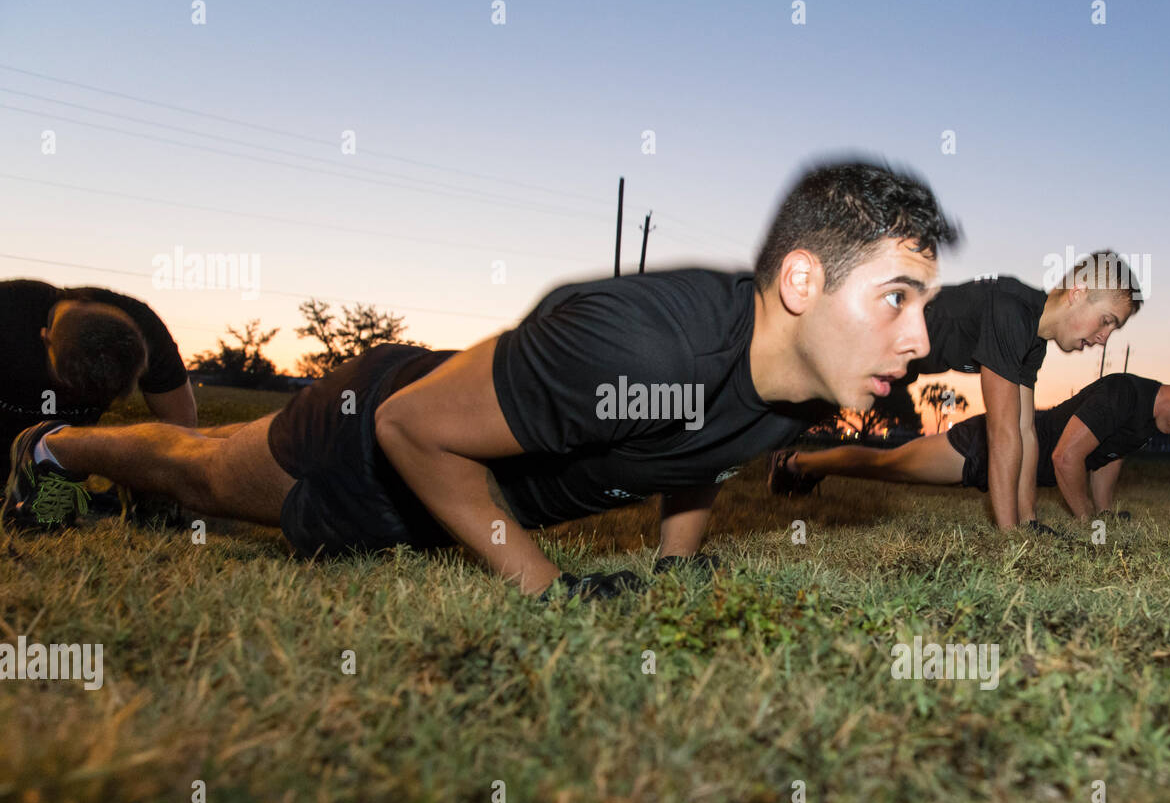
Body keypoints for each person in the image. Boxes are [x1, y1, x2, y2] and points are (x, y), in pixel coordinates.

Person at [4, 157, 959, 598]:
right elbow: (415, 429)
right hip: (377, 431)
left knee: (200, 458)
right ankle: (48, 448)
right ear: (801, 281)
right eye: (897, 298)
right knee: (196, 469)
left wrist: (678, 565)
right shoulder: (647, 345)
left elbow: (700, 449)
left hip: (455, 464)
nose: (920, 339)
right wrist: (548, 588)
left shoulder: (799, 385)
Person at [770, 253, 1144, 529]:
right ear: (1078, 294)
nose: (1103, 337)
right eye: (1107, 320)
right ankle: (775, 459)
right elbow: (1001, 433)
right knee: (779, 404)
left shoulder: (1034, 340)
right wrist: (1009, 534)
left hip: (900, 366)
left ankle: (791, 463)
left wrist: (1029, 520)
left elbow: (1026, 431)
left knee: (812, 420)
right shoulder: (1011, 311)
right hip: (869, 339)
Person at [768, 374, 1170, 527]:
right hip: (984, 446)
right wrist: (1089, 522)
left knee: (889, 467)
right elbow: (1066, 458)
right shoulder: (1123, 395)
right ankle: (797, 461)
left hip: (1006, 463)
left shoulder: (1147, 417)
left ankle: (803, 464)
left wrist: (1105, 514)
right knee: (887, 465)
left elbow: (1107, 457)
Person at [0, 279, 197, 450]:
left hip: (66, 459)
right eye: (70, 384)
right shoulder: (7, 311)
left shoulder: (148, 333)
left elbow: (183, 429)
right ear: (46, 339)